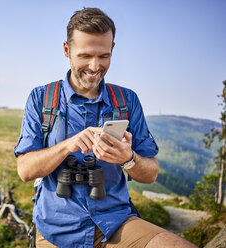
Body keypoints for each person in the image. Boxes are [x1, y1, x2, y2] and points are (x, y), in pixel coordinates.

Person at [14, 8, 196, 248]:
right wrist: (67, 146)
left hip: (117, 223)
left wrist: (128, 158)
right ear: (66, 50)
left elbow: (150, 174)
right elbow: (25, 171)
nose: (94, 66)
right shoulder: (42, 99)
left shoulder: (127, 100)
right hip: (56, 231)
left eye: (104, 56)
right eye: (85, 55)